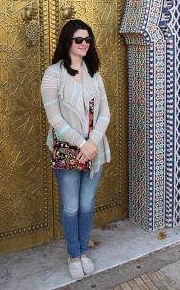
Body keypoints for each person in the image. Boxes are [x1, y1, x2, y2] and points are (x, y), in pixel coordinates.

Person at [41, 19, 111, 280]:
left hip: (95, 150)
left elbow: (105, 112)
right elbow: (55, 120)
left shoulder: (94, 72)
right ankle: (73, 254)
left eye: (88, 40)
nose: (84, 44)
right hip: (68, 150)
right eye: (79, 40)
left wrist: (92, 142)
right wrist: (82, 144)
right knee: (71, 207)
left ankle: (83, 251)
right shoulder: (53, 75)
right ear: (67, 42)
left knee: (86, 204)